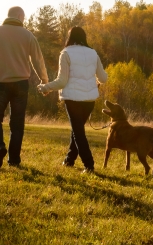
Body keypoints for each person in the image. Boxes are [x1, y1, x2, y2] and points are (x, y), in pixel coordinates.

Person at [0, 6, 49, 170]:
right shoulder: (28, 35)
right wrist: (44, 80)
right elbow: (38, 60)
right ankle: (14, 160)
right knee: (17, 123)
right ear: (19, 16)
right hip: (20, 84)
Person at [38, 26, 107, 173]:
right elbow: (103, 78)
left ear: (70, 37)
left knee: (78, 132)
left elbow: (62, 81)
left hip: (73, 99)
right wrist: (94, 81)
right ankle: (69, 160)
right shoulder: (93, 53)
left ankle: (89, 165)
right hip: (89, 101)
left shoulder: (66, 53)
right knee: (77, 130)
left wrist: (45, 87)